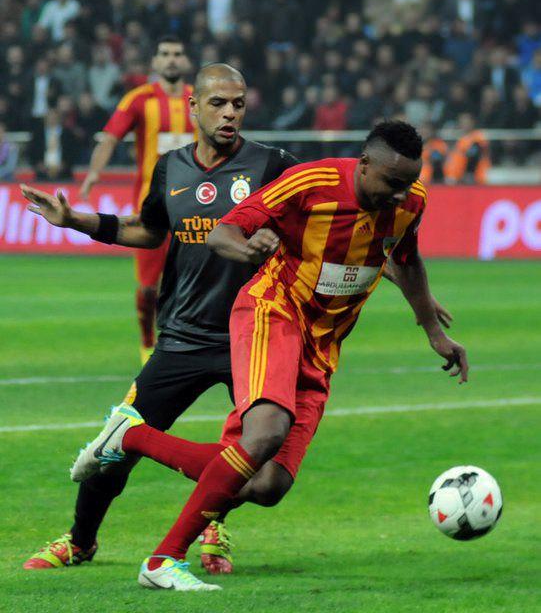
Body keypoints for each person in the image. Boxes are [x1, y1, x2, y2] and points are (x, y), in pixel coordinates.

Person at [21, 73, 452, 580]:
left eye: (239, 104)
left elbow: (349, 235)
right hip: (187, 331)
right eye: (219, 103)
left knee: (259, 459)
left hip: (262, 331)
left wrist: (415, 298)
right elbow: (148, 231)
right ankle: (80, 539)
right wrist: (75, 220)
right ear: (194, 106)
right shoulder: (171, 167)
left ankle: (211, 528)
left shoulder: (276, 166)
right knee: (135, 451)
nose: (230, 113)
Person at [79, 34, 196, 364]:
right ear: (155, 62)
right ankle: (147, 342)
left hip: (196, 206)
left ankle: (189, 344)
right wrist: (94, 172)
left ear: (185, 61)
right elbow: (109, 138)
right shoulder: (138, 100)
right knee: (148, 287)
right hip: (152, 209)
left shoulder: (200, 100)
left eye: (177, 53)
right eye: (165, 53)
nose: (171, 59)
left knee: (198, 284)